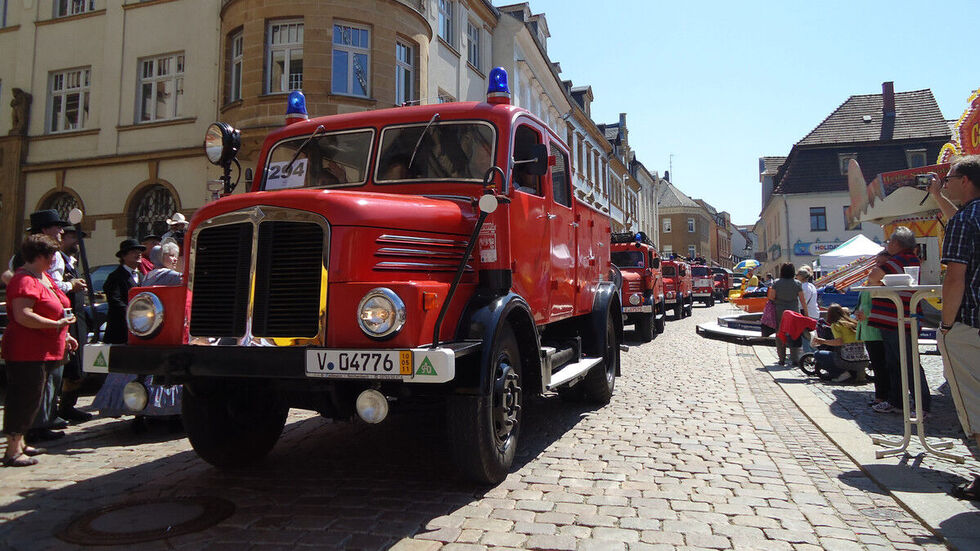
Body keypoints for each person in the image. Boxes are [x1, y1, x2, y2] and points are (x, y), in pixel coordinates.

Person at [2, 235, 79, 467]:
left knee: (35, 398)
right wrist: (55, 326)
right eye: (51, 255)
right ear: (40, 256)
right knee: (24, 398)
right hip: (27, 350)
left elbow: (59, 308)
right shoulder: (24, 280)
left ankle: (22, 442)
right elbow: (23, 315)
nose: (54, 259)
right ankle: (13, 449)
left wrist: (66, 334)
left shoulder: (43, 277)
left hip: (44, 349)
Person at [931, 155, 980, 501]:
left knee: (974, 403)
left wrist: (946, 326)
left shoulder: (965, 220)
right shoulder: (966, 218)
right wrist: (938, 196)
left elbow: (955, 277)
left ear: (965, 181)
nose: (945, 183)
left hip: (972, 324)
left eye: (949, 178)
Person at [867, 226, 929, 415]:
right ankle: (898, 401)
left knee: (908, 363)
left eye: (889, 242)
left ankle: (921, 405)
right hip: (895, 319)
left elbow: (873, 277)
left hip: (899, 319)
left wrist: (879, 282)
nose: (888, 245)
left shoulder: (901, 259)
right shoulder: (908, 259)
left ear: (896, 243)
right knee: (895, 362)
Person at [56, 227, 93, 422]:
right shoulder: (56, 260)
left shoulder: (72, 262)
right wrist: (72, 285)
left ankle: (67, 406)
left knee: (78, 367)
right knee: (68, 367)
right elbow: (54, 285)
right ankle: (58, 409)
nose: (76, 242)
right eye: (72, 237)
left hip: (77, 317)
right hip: (65, 318)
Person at [855, 251, 891, 407]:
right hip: (868, 330)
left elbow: (884, 305)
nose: (876, 266)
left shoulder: (884, 284)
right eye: (876, 263)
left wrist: (866, 314)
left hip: (877, 330)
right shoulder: (869, 282)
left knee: (881, 365)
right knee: (877, 365)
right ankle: (880, 396)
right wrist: (857, 312)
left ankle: (883, 396)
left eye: (880, 264)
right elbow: (862, 302)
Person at [102, 239, 145, 344]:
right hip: (120, 328)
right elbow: (115, 300)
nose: (138, 254)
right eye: (134, 252)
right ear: (124, 256)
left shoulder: (141, 276)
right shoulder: (115, 276)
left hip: (139, 327)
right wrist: (131, 313)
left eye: (140, 252)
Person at [811, 304, 866, 383]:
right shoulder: (853, 322)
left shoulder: (836, 325)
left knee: (818, 354)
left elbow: (839, 342)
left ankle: (841, 373)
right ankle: (856, 373)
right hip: (863, 360)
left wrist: (822, 341)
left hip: (848, 360)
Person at [767, 262, 808, 365]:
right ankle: (795, 359)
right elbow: (802, 300)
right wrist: (806, 315)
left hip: (780, 311)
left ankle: (782, 358)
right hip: (794, 312)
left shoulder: (776, 283)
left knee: (780, 333)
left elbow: (771, 297)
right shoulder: (797, 283)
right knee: (794, 334)